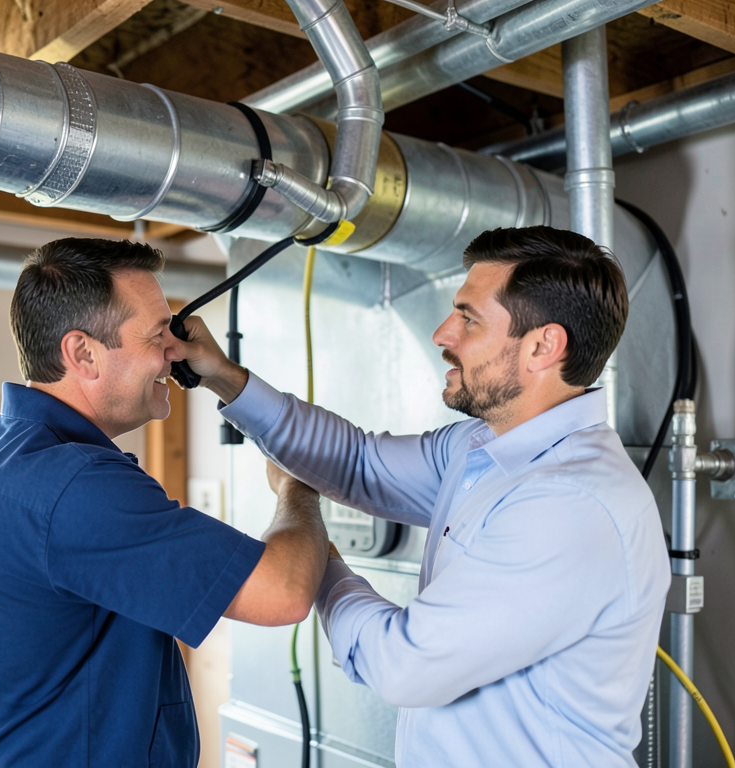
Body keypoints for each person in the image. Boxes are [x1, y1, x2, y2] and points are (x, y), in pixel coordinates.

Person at [180, 225, 671, 767]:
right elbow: (357, 462)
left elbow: (403, 664)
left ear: (542, 346)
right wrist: (223, 378)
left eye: (468, 318)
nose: (443, 334)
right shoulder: (480, 447)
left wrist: (314, 555)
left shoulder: (568, 503)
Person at [0, 237, 328, 768]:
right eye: (156, 334)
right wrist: (297, 487)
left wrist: (221, 375)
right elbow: (283, 591)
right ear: (83, 353)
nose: (176, 349)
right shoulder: (75, 485)